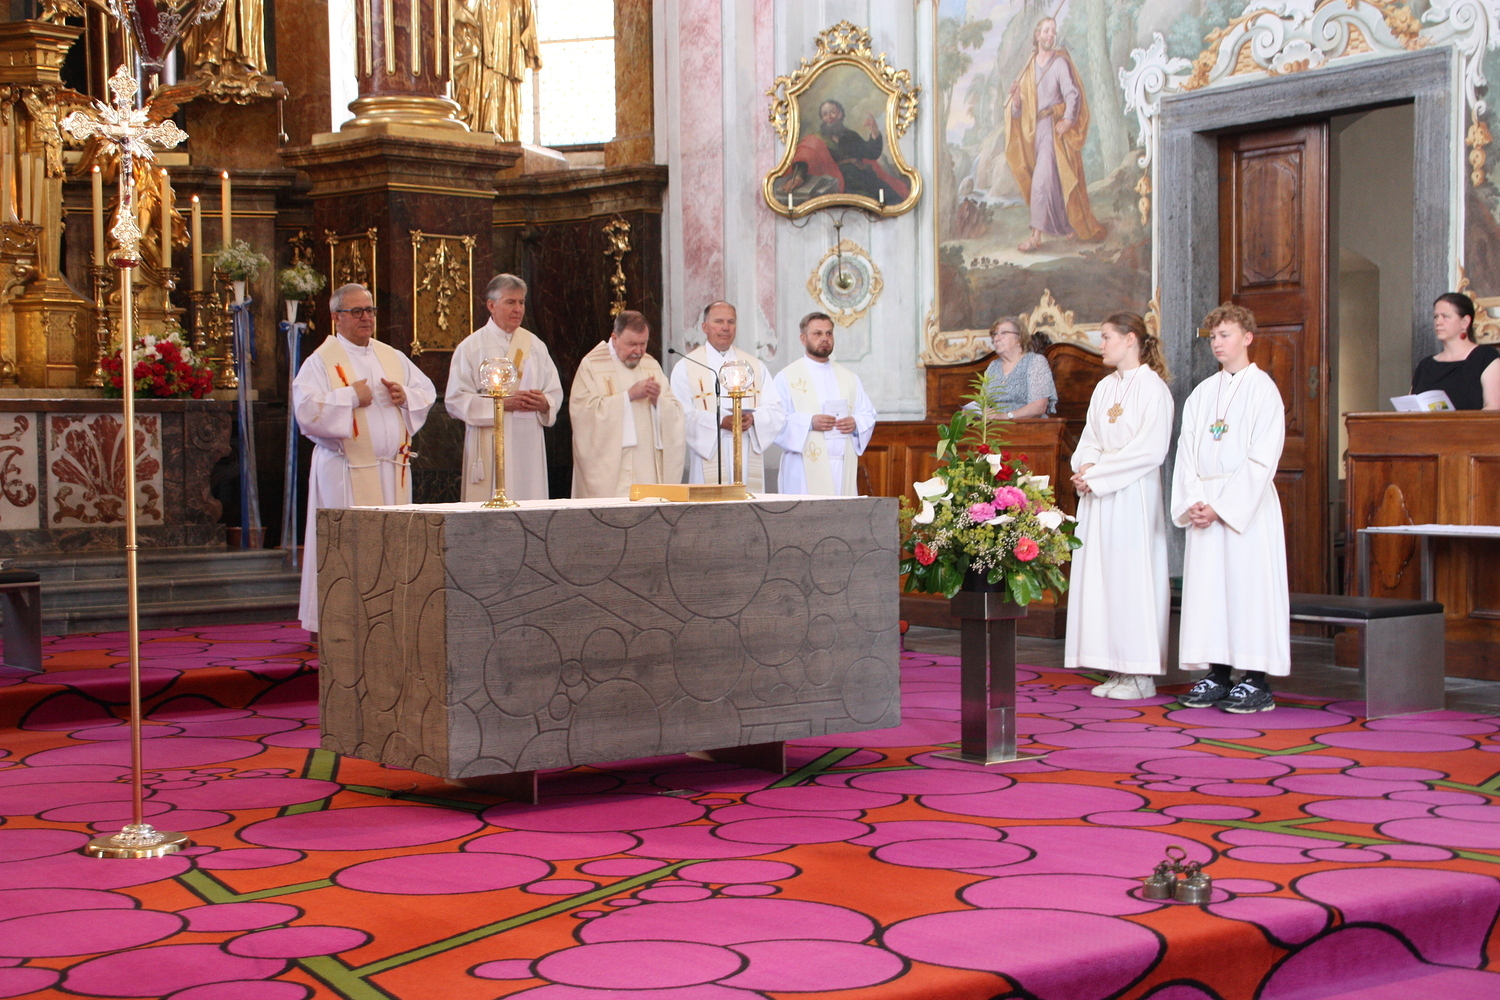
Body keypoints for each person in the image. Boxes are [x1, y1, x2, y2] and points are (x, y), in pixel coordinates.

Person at [293, 284, 436, 635]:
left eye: (369, 310)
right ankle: (339, 624)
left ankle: (388, 620)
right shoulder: (320, 362)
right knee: (346, 549)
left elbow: (427, 391)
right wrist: (350, 397)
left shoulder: (391, 356)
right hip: (345, 471)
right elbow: (306, 412)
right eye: (356, 311)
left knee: (392, 549)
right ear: (336, 317)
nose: (366, 318)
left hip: (392, 470)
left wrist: (406, 396)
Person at [1172, 303, 1289, 713]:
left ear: (1247, 337)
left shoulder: (1263, 390)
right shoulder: (1203, 393)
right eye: (1214, 336)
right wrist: (1194, 501)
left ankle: (1255, 680)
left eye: (1226, 335)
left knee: (1249, 591)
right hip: (1204, 503)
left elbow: (1262, 457)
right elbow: (1186, 451)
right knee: (1210, 593)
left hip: (1245, 509)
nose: (1217, 343)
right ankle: (1217, 674)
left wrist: (1221, 507)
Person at [1064, 312, 1174, 700]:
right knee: (1103, 578)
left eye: (1107, 336)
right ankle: (1115, 665)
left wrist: (1099, 473)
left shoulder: (1153, 389)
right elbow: (1090, 437)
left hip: (1132, 494)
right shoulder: (1104, 387)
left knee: (1131, 578)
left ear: (1130, 340)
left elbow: (1151, 450)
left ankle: (1140, 674)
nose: (1101, 345)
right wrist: (1085, 466)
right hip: (1099, 494)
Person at [446, 274, 564, 501]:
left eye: (521, 302)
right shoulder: (471, 347)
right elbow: (455, 400)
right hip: (489, 441)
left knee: (529, 500)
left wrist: (544, 403)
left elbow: (554, 392)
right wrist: (501, 404)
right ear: (491, 305)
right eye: (510, 302)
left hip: (528, 442)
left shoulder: (535, 346)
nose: (518, 309)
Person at [1005, 17, 1105, 253]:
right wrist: (1017, 99)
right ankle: (1065, 227)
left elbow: (1072, 94)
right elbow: (1019, 111)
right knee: (1053, 179)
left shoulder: (1060, 63)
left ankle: (1036, 236)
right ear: (1037, 35)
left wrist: (1068, 119)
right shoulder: (1029, 68)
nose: (1051, 35)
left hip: (1053, 126)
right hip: (1035, 130)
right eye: (1046, 31)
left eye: (1053, 31)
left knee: (1042, 179)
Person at [669, 301, 786, 491]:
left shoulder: (754, 365)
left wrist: (754, 419)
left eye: (731, 322)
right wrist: (720, 421)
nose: (725, 327)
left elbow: (776, 410)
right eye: (719, 321)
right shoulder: (687, 366)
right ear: (705, 327)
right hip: (710, 450)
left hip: (747, 446)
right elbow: (679, 414)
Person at [570, 310, 686, 498]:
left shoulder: (650, 364)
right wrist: (628, 396)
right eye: (631, 344)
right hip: (611, 471)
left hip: (646, 465)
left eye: (643, 344)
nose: (638, 351)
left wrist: (658, 402)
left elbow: (675, 412)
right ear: (614, 338)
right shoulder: (592, 364)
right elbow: (583, 413)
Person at [772, 312, 877, 495]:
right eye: (817, 334)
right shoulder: (787, 377)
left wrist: (855, 423)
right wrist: (809, 422)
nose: (824, 339)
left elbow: (868, 414)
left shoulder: (848, 377)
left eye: (829, 333)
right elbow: (774, 420)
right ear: (803, 338)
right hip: (803, 469)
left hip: (841, 466)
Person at [775, 99, 910, 205]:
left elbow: (871, 153)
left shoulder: (851, 135)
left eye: (833, 112)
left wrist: (874, 132)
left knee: (892, 197)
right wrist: (798, 176)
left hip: (864, 177)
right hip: (840, 182)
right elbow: (804, 156)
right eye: (825, 114)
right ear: (822, 118)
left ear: (840, 114)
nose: (829, 117)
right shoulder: (816, 139)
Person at [1410, 292, 1500, 410]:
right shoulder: (1425, 365)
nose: (1438, 322)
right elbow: (1410, 407)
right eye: (1436, 316)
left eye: (1445, 316)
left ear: (1465, 322)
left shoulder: (1485, 357)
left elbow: (1493, 408)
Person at [970, 316, 1057, 419]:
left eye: (1003, 333)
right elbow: (983, 403)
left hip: (1027, 425)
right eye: (995, 334)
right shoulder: (993, 366)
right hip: (994, 426)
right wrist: (971, 412)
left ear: (1019, 338)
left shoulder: (1035, 361)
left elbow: (1039, 407)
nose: (996, 339)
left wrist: (1006, 416)